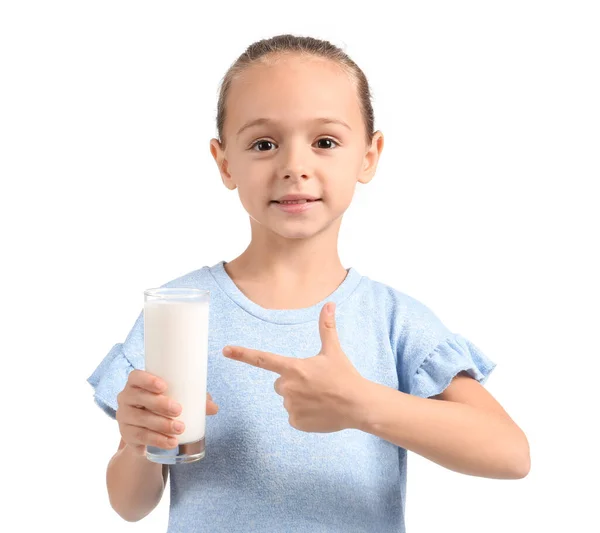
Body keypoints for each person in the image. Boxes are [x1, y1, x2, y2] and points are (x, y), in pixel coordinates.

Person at [87, 33, 530, 532]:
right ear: (224, 161)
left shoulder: (393, 321)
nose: (294, 167)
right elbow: (130, 504)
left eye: (324, 142)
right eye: (263, 143)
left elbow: (511, 454)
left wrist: (361, 404)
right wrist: (140, 441)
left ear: (369, 154)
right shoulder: (178, 312)